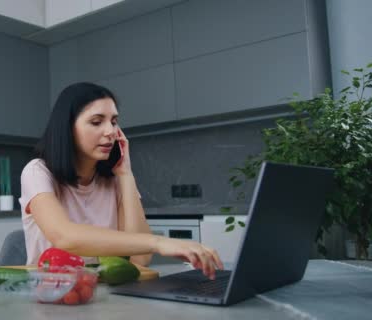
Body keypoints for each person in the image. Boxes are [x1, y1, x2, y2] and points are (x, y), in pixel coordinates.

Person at [19, 82, 223, 279]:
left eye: (114, 121)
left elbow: (139, 259)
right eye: (97, 122)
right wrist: (158, 242)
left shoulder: (115, 180)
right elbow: (64, 236)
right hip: (52, 295)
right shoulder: (38, 172)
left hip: (104, 296)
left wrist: (126, 175)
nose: (111, 132)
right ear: (67, 128)